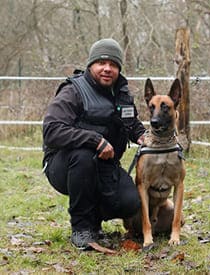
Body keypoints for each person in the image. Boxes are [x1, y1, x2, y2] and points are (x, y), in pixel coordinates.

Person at [42, 38, 145, 250]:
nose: (107, 69)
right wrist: (95, 140)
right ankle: (81, 229)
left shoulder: (122, 93)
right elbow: (51, 131)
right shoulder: (73, 91)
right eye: (101, 63)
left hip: (105, 166)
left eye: (113, 64)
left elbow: (131, 123)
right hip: (64, 166)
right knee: (83, 157)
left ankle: (95, 222)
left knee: (130, 202)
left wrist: (143, 136)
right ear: (91, 65)